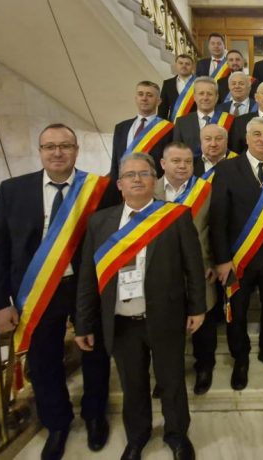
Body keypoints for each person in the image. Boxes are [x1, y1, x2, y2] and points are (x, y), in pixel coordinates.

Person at [0, 124, 111, 460]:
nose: (58, 152)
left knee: (95, 354)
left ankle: (95, 415)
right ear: (40, 151)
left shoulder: (99, 189)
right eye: (50, 146)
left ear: (76, 150)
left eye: (65, 146)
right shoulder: (13, 190)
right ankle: (57, 423)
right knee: (43, 361)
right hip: (37, 291)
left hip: (86, 288)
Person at [75, 152, 205, 460]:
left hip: (165, 317)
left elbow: (194, 267)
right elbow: (88, 277)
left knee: (172, 381)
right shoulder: (99, 222)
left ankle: (176, 434)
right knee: (132, 384)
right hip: (121, 321)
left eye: (144, 174)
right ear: (119, 184)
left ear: (154, 180)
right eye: (129, 175)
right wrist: (83, 323)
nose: (137, 179)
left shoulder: (175, 216)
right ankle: (137, 437)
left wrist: (197, 308)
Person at [210, 117, 263, 391]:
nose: (262, 139)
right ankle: (240, 358)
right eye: (257, 134)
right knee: (238, 313)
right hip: (237, 259)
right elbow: (217, 218)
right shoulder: (227, 168)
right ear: (246, 138)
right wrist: (222, 259)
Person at [154, 143, 219, 395]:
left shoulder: (205, 190)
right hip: (160, 272)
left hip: (200, 269)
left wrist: (214, 262)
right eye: (176, 161)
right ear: (163, 164)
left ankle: (205, 367)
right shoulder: (149, 190)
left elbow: (217, 228)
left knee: (204, 325)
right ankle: (167, 374)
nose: (182, 166)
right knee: (165, 327)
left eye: (188, 162)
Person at [111, 81, 172, 182]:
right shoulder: (121, 128)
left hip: (154, 186)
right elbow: (114, 165)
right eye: (140, 94)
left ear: (158, 101)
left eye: (149, 95)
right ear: (136, 98)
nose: (144, 98)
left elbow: (170, 164)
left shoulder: (169, 129)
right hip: (124, 186)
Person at [173, 76, 220, 155]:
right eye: (201, 93)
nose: (205, 98)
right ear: (194, 97)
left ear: (217, 97)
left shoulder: (228, 120)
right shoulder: (181, 122)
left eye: (210, 94)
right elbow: (177, 152)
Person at [158, 54, 196, 121]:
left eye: (187, 64)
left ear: (193, 66)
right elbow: (163, 109)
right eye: (180, 63)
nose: (184, 66)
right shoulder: (167, 84)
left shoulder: (200, 82)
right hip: (174, 124)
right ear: (176, 65)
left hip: (195, 123)